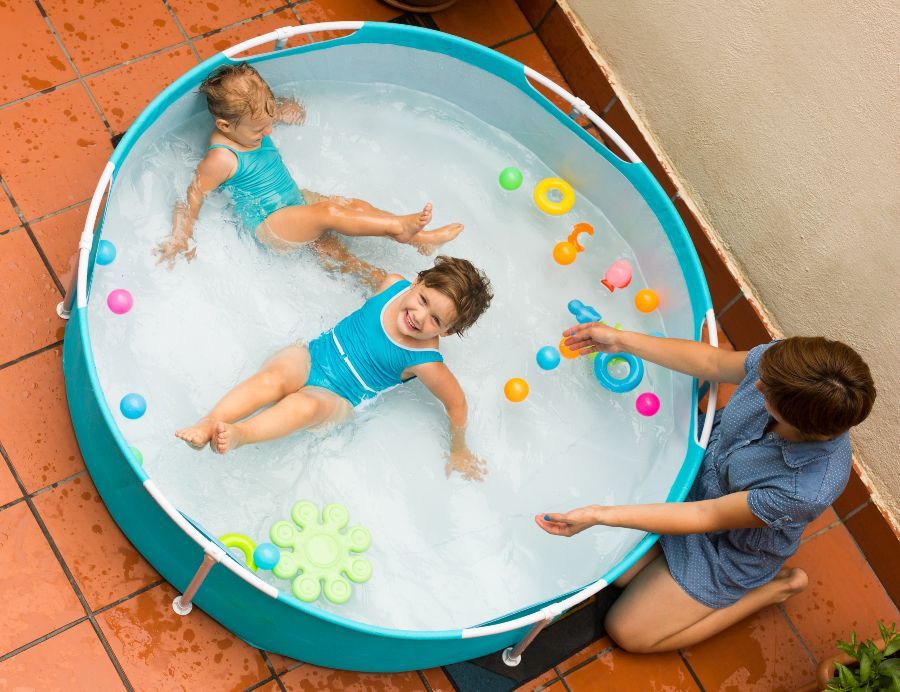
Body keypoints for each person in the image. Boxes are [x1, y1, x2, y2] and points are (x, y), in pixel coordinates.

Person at [535, 325, 876, 653]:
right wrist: (620, 340)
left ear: (795, 422)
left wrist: (600, 515)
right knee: (617, 565)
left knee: (628, 630)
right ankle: (662, 570)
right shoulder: (786, 366)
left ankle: (775, 589)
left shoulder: (804, 488)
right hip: (702, 468)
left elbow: (705, 514)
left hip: (726, 545)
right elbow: (712, 363)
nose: (755, 383)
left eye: (766, 391)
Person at [175, 256, 493, 481]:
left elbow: (456, 403)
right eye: (423, 300)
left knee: (305, 406)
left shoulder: (425, 361)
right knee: (276, 376)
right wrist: (336, 256)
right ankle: (209, 422)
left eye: (436, 320)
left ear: (447, 332)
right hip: (315, 356)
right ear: (417, 282)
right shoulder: (393, 285)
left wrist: (459, 448)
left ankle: (241, 434)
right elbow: (361, 272)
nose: (420, 317)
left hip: (338, 396)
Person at [154, 62, 463, 268]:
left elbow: (287, 114)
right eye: (259, 129)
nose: (268, 132)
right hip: (271, 224)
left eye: (268, 120)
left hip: (293, 203)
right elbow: (193, 194)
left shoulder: (251, 121)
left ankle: (413, 247)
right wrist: (182, 235)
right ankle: (400, 227)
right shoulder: (222, 157)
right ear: (224, 125)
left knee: (350, 211)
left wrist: (283, 110)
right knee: (329, 213)